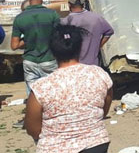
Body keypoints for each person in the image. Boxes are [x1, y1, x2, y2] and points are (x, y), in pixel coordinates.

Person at [25, 25, 113, 153]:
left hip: (55, 148)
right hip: (96, 143)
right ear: (79, 48)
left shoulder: (42, 87)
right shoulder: (99, 74)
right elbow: (104, 108)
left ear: (52, 51)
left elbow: (32, 129)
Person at [12, 0, 60, 94]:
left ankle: (34, 110)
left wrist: (28, 39)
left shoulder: (19, 18)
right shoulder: (52, 14)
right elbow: (58, 38)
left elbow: (14, 46)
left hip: (30, 61)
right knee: (52, 93)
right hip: (49, 60)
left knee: (33, 94)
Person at [60, 0, 114, 66]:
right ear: (83, 4)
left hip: (74, 66)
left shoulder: (65, 22)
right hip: (93, 65)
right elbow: (109, 31)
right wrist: (98, 46)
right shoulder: (97, 18)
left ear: (69, 4)